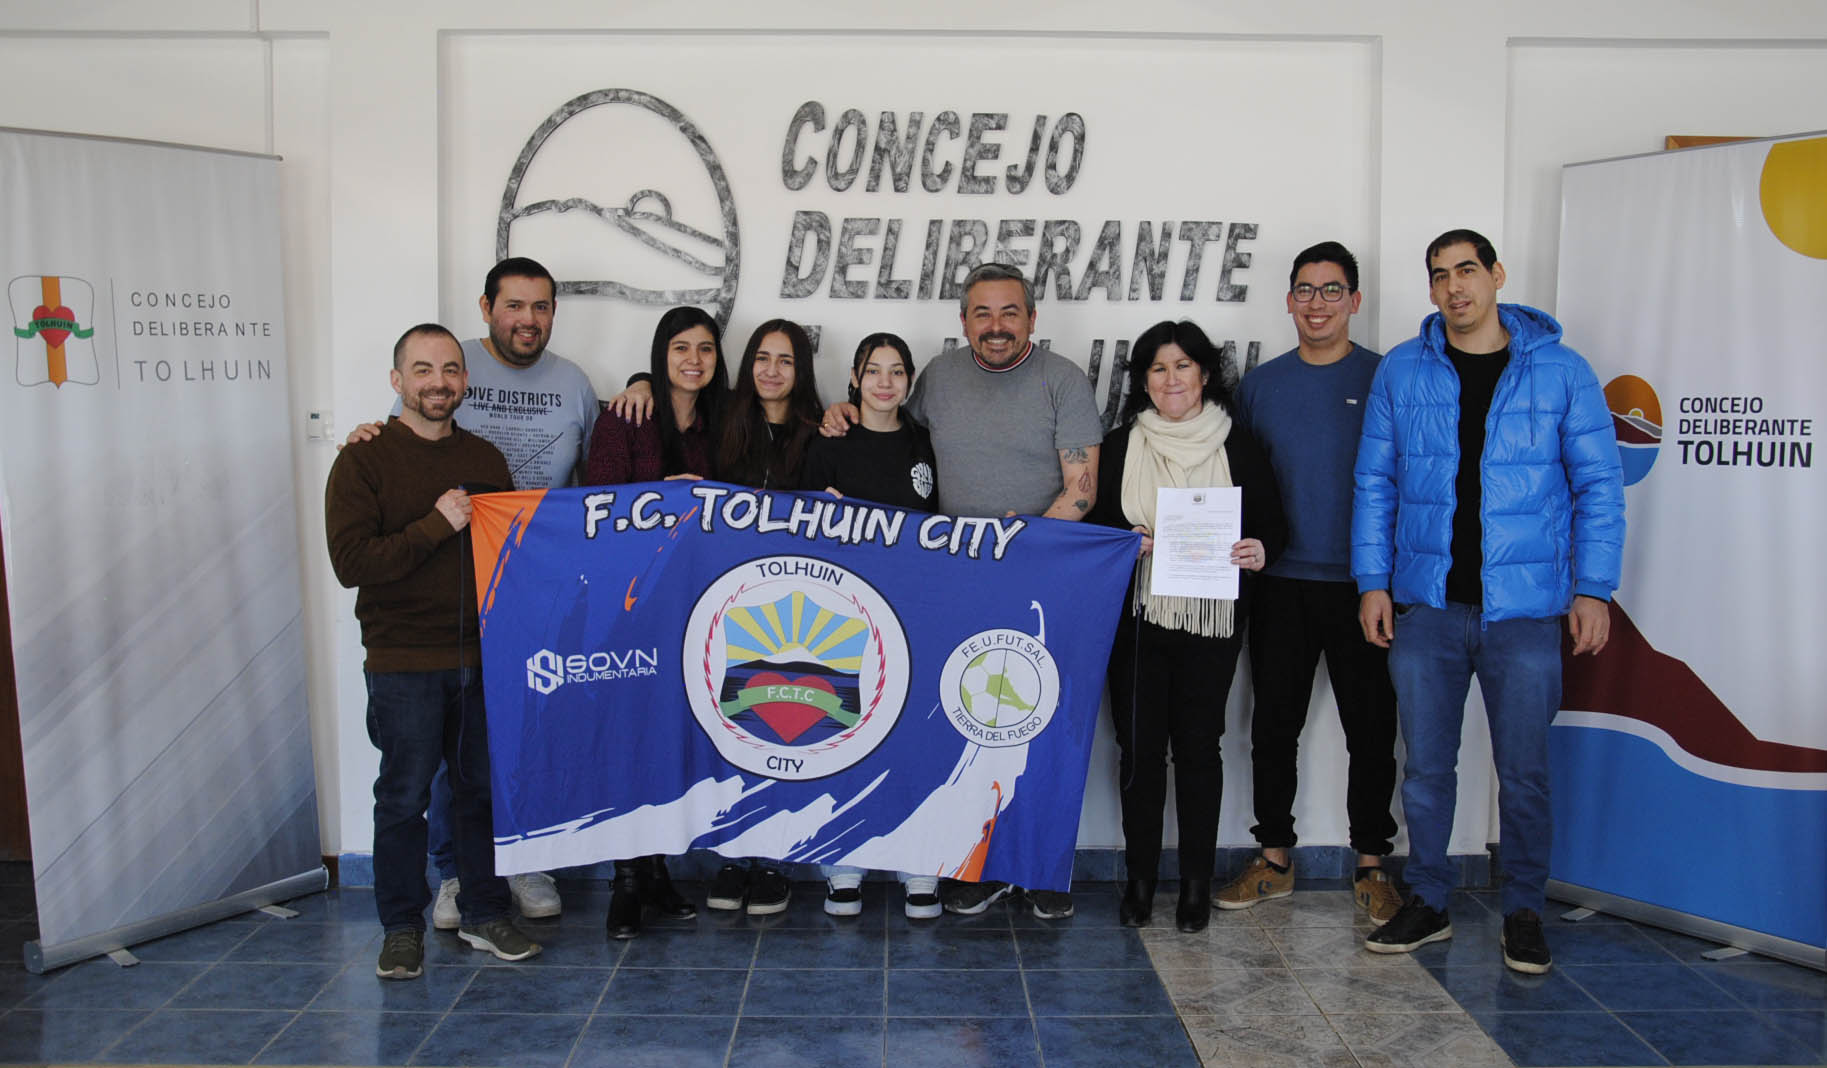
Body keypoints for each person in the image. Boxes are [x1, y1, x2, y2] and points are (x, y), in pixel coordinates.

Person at [1353, 229, 1625, 974]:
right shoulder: (1404, 371)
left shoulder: (1561, 372)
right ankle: (1429, 899)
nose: (1453, 288)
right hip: (1428, 609)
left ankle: (1524, 910)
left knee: (1525, 770)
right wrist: (1371, 582)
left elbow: (1597, 488)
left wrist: (1593, 589)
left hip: (1526, 612)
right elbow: (1374, 483)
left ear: (1496, 275)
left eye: (1466, 270)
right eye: (1438, 276)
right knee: (1426, 768)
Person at [819, 262, 1104, 921]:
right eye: (981, 313)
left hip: (1039, 580)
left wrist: (1012, 551)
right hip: (952, 589)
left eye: (1008, 312)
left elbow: (1081, 492)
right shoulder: (937, 381)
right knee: (965, 724)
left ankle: (1036, 869)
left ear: (1031, 318)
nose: (995, 326)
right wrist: (840, 411)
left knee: (1039, 725)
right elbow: (884, 427)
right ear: (963, 322)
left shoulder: (1062, 381)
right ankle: (975, 865)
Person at [346, 257, 594, 928]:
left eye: (541, 306)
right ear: (487, 308)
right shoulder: (424, 391)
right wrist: (368, 437)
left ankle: (516, 868)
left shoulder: (567, 389)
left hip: (517, 606)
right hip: (422, 633)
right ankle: (447, 882)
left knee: (508, 755)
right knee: (425, 777)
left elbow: (591, 490)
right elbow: (383, 475)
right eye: (515, 305)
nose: (528, 318)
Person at [325, 323, 541, 980]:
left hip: (479, 658)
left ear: (464, 380)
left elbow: (514, 556)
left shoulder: (484, 459)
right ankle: (400, 928)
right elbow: (351, 561)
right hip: (401, 663)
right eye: (422, 370)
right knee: (402, 798)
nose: (437, 382)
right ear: (398, 381)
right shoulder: (361, 459)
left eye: (449, 369)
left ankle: (483, 911)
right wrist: (432, 526)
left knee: (478, 793)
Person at [1219, 242, 1402, 924]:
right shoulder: (1260, 387)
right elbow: (1236, 485)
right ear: (1288, 300)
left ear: (1354, 301)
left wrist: (1382, 578)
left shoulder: (1387, 378)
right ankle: (1273, 858)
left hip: (1364, 586)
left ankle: (1371, 865)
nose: (1316, 302)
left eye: (1331, 290)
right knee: (1271, 727)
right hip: (1278, 584)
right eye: (1304, 289)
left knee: (1371, 731)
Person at [1089, 320, 1285, 932]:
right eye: (1157, 368)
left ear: (1204, 373)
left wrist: (1259, 550)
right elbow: (1093, 528)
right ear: (1142, 381)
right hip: (1139, 619)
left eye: (1182, 366)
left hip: (1211, 621)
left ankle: (1196, 884)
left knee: (1200, 749)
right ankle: (1142, 881)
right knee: (1140, 752)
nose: (1171, 379)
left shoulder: (1240, 443)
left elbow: (1273, 527)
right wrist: (1124, 545)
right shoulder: (1119, 446)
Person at [584, 305, 728, 938]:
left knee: (673, 742)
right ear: (659, 353)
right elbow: (598, 507)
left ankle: (658, 872)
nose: (693, 360)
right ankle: (625, 881)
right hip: (633, 608)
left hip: (698, 608)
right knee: (629, 741)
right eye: (680, 348)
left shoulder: (723, 426)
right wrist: (660, 501)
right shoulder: (628, 415)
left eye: (705, 348)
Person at [803, 332, 941, 919]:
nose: (886, 382)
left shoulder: (926, 443)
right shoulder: (829, 438)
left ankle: (921, 861)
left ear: (909, 381)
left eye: (897, 371)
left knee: (915, 734)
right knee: (845, 730)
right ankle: (843, 861)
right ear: (855, 378)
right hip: (843, 618)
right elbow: (797, 524)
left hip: (915, 608)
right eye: (873, 370)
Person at [702, 318, 821, 917]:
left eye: (786, 360)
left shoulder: (821, 430)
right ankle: (731, 852)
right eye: (762, 358)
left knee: (784, 724)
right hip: (727, 602)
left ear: (801, 371)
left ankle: (773, 857)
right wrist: (642, 380)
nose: (772, 370)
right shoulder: (722, 423)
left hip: (793, 610)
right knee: (731, 728)